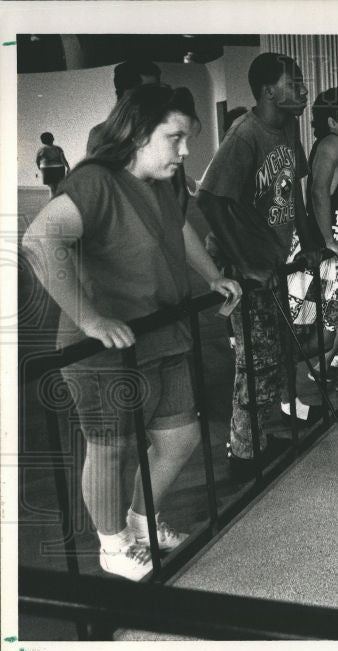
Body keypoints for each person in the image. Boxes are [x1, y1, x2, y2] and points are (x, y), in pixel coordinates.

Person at [21, 84, 242, 580]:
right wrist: (91, 319)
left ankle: (142, 524)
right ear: (140, 133)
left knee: (181, 437)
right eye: (176, 137)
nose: (185, 150)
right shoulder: (98, 182)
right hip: (104, 349)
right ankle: (113, 545)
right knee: (110, 447)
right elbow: (40, 241)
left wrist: (211, 275)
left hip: (163, 330)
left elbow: (178, 227)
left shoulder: (164, 182)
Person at [197, 52, 317, 481]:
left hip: (275, 262)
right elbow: (209, 199)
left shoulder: (287, 130)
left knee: (274, 354)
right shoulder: (245, 134)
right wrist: (242, 263)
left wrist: (311, 243)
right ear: (269, 91)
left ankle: (258, 438)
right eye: (294, 83)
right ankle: (244, 454)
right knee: (256, 360)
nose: (303, 91)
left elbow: (294, 194)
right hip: (249, 268)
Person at [287, 86, 338, 392]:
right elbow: (318, 191)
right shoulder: (331, 143)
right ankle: (298, 380)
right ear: (334, 122)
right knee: (322, 327)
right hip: (334, 248)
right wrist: (329, 239)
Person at [88, 59, 190, 215]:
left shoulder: (164, 133)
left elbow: (180, 188)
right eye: (146, 91)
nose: (155, 98)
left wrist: (175, 225)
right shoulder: (100, 135)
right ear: (123, 94)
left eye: (156, 90)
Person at [35, 132, 70, 196]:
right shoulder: (58, 148)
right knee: (58, 186)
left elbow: (37, 160)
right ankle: (57, 201)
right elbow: (63, 159)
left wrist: (39, 168)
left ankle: (52, 200)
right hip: (58, 168)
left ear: (42, 141)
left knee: (51, 187)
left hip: (46, 169)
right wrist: (68, 167)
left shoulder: (41, 150)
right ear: (52, 139)